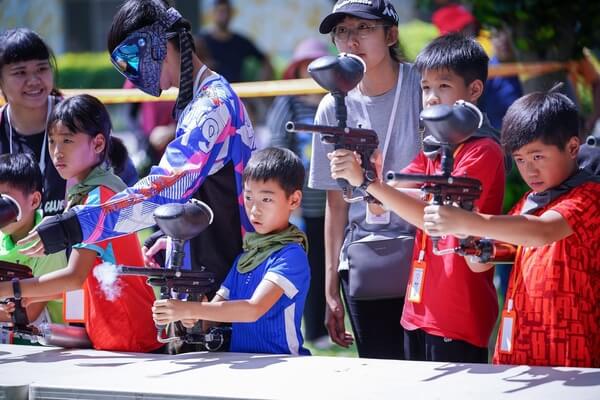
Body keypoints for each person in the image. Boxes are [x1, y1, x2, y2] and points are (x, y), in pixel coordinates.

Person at [18, 0, 256, 347]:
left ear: (156, 45)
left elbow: (166, 189)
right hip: (214, 283)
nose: (130, 73)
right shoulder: (203, 101)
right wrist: (168, 236)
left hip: (226, 286)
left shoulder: (212, 106)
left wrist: (75, 225)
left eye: (130, 59)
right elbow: (199, 194)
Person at [329, 33, 506, 363]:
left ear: (475, 91)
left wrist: (368, 181)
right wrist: (368, 174)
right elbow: (386, 200)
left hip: (458, 312)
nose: (432, 98)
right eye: (425, 88)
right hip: (418, 306)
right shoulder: (433, 150)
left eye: (443, 86)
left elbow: (433, 215)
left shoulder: (483, 150)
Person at [422, 90, 600, 367]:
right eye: (519, 159)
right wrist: (468, 234)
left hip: (573, 354)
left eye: (538, 157)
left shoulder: (589, 196)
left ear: (573, 148)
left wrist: (468, 220)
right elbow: (480, 264)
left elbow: (543, 231)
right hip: (519, 349)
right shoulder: (528, 203)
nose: (529, 170)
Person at [0, 94, 160, 352]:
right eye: (51, 141)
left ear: (97, 144)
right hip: (118, 335)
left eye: (67, 140)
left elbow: (74, 277)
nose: (57, 151)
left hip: (129, 338)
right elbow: (85, 278)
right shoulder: (89, 193)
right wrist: (30, 294)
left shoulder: (98, 200)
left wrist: (10, 288)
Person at [309, 0, 422, 359]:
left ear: (391, 35)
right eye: (342, 31)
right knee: (380, 375)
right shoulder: (332, 105)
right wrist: (330, 283)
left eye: (363, 28)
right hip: (363, 261)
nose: (351, 41)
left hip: (425, 254)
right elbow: (336, 202)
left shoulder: (424, 87)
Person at [152, 147, 310, 355]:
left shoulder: (291, 255)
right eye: (249, 197)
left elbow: (253, 309)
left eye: (266, 199)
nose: (254, 209)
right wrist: (188, 314)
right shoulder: (245, 258)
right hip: (246, 369)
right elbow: (211, 318)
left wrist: (190, 309)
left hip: (284, 365)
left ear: (294, 200)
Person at [0, 28, 138, 218]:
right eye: (20, 72)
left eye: (42, 68)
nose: (33, 80)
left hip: (80, 245)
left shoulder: (80, 118)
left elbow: (124, 191)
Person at [266, 37, 330, 347]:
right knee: (303, 268)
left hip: (334, 203)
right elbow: (279, 152)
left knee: (331, 267)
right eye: (308, 65)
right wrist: (290, 201)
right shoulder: (287, 101)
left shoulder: (336, 99)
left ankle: (329, 327)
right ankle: (311, 331)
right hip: (302, 204)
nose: (313, 72)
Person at [0, 153, 66, 331]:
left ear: (34, 200)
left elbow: (30, 314)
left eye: (4, 200)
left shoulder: (48, 243)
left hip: (47, 340)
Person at [197, 0, 273, 83]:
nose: (224, 15)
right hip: (211, 92)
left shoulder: (241, 42)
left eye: (227, 11)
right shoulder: (202, 42)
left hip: (237, 91)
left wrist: (261, 86)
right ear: (213, 13)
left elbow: (265, 60)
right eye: (220, 11)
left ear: (231, 14)